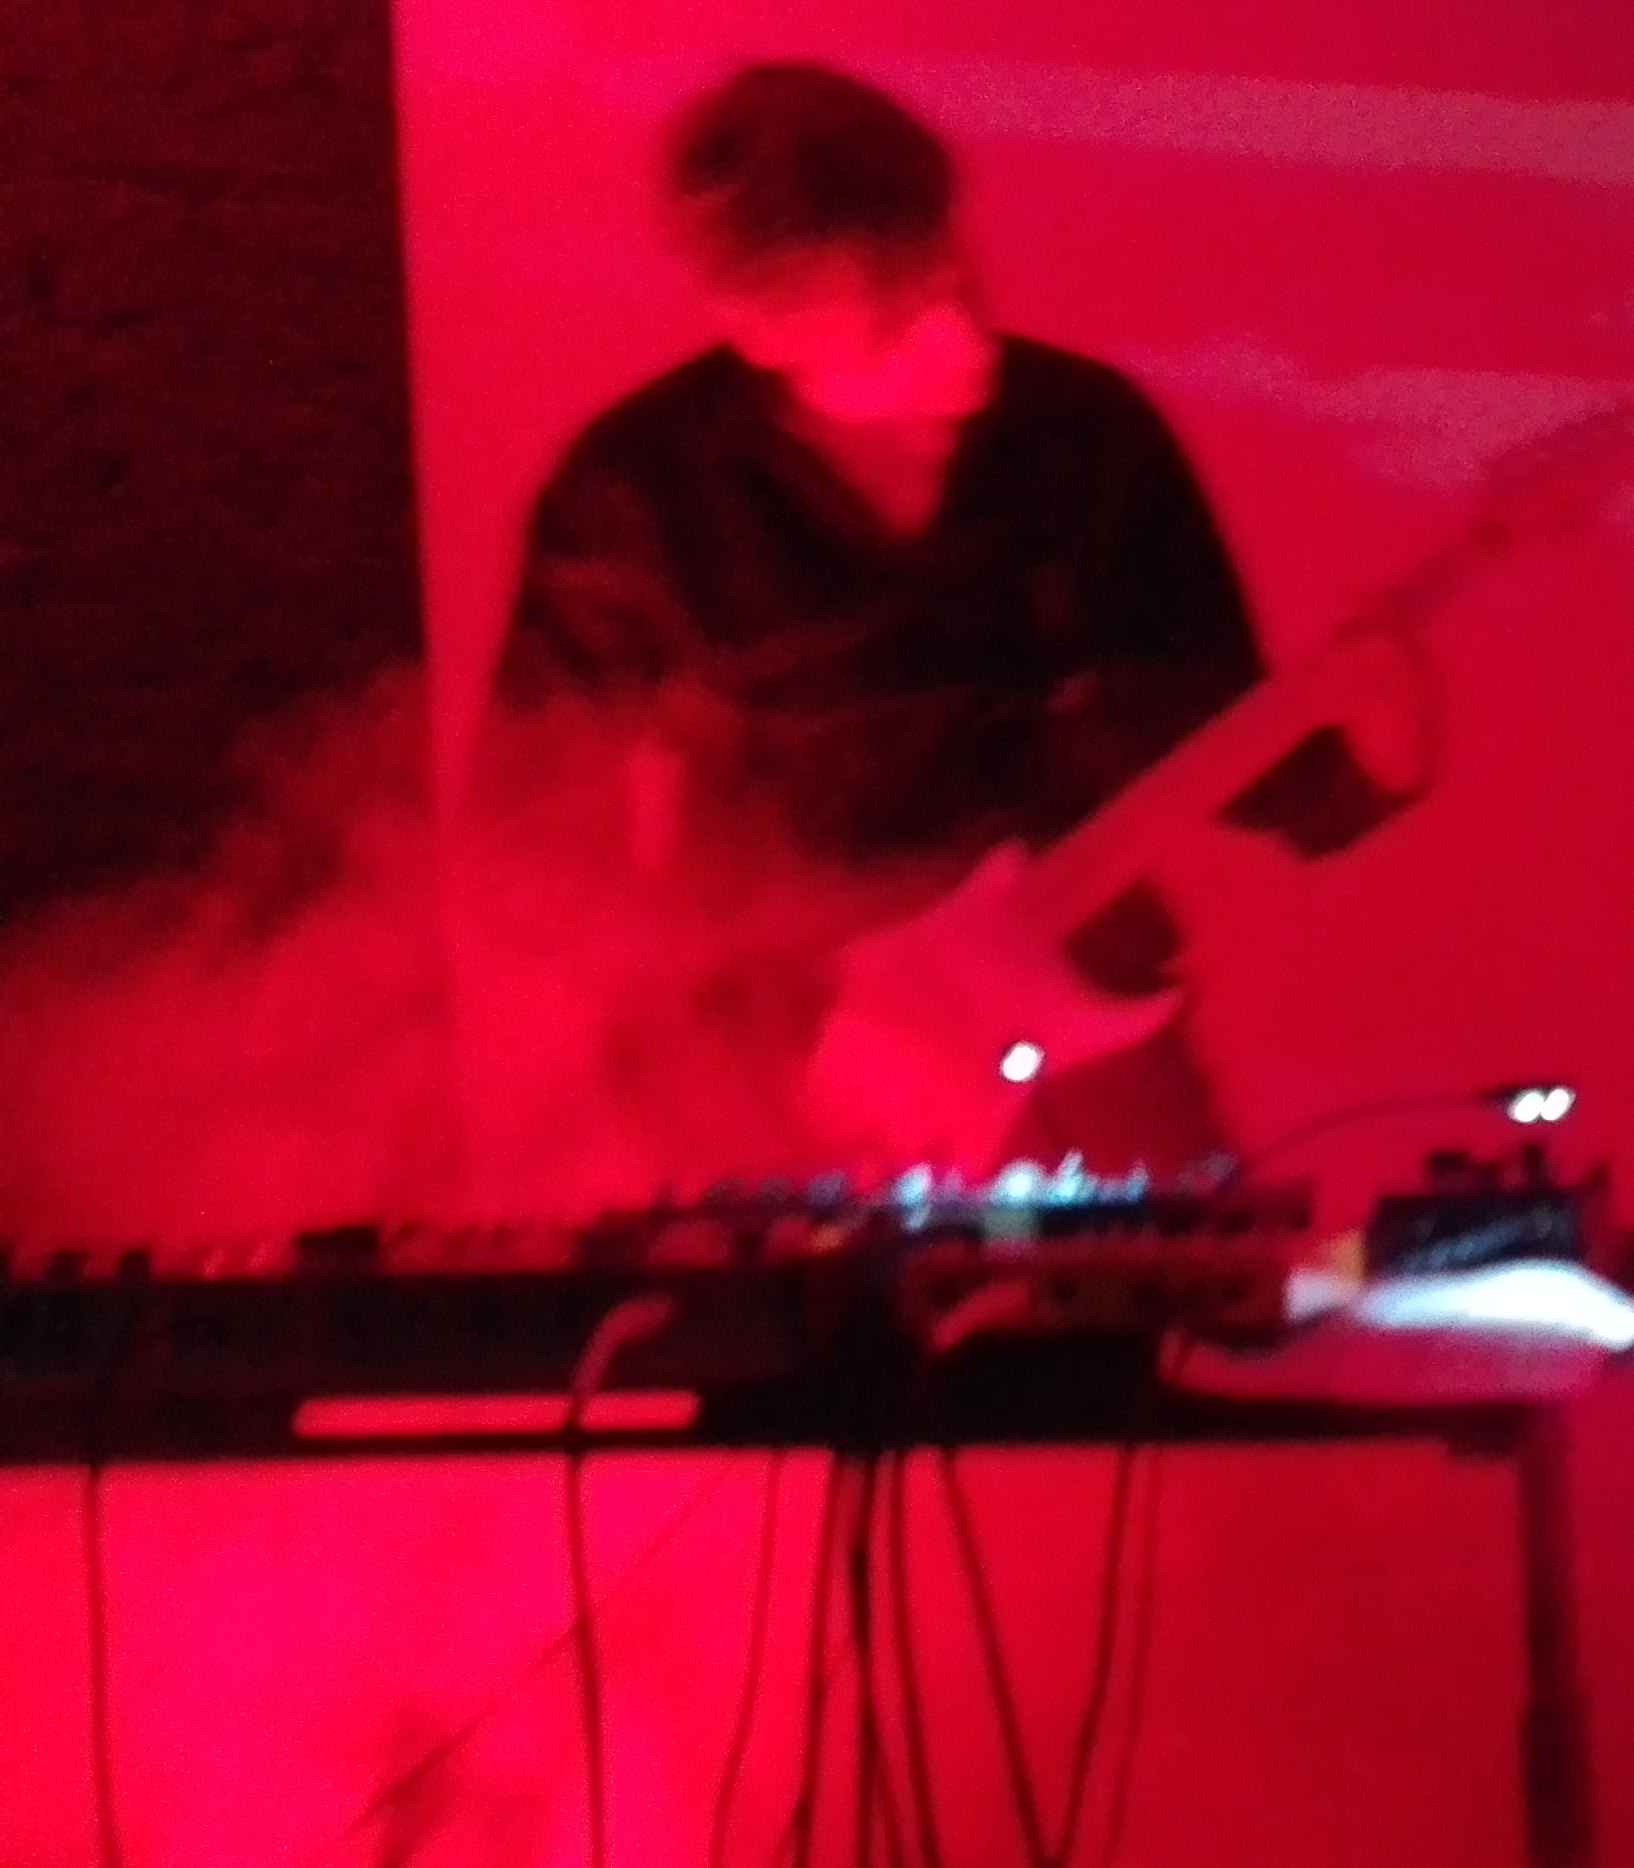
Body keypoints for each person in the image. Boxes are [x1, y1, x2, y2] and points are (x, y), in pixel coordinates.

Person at [478, 62, 1378, 1175]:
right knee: (776, 1282)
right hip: (781, 1038)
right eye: (893, 297)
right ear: (757, 325)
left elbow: (1213, 724)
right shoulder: (637, 490)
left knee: (1182, 1265)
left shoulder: (1087, 436)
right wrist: (689, 988)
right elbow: (526, 820)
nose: (954, 310)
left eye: (940, 256)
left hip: (1071, 986)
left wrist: (1367, 766)